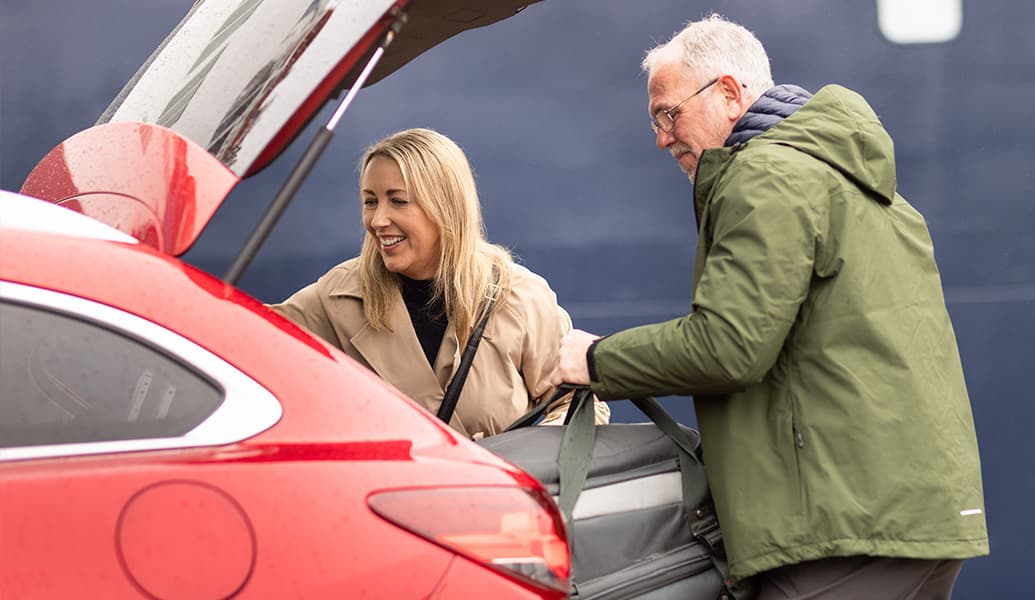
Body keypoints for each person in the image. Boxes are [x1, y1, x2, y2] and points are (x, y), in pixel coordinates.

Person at [553, 14, 988, 599]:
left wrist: (594, 360)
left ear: (729, 93)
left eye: (667, 114)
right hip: (917, 515)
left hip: (840, 527)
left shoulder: (765, 176)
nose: (661, 137)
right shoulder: (861, 185)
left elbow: (729, 347)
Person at [274, 128, 608, 439]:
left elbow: (578, 404)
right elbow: (245, 341)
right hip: (385, 498)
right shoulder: (340, 296)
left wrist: (533, 460)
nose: (377, 221)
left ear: (444, 206)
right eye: (370, 201)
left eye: (398, 200)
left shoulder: (519, 296)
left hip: (500, 496)